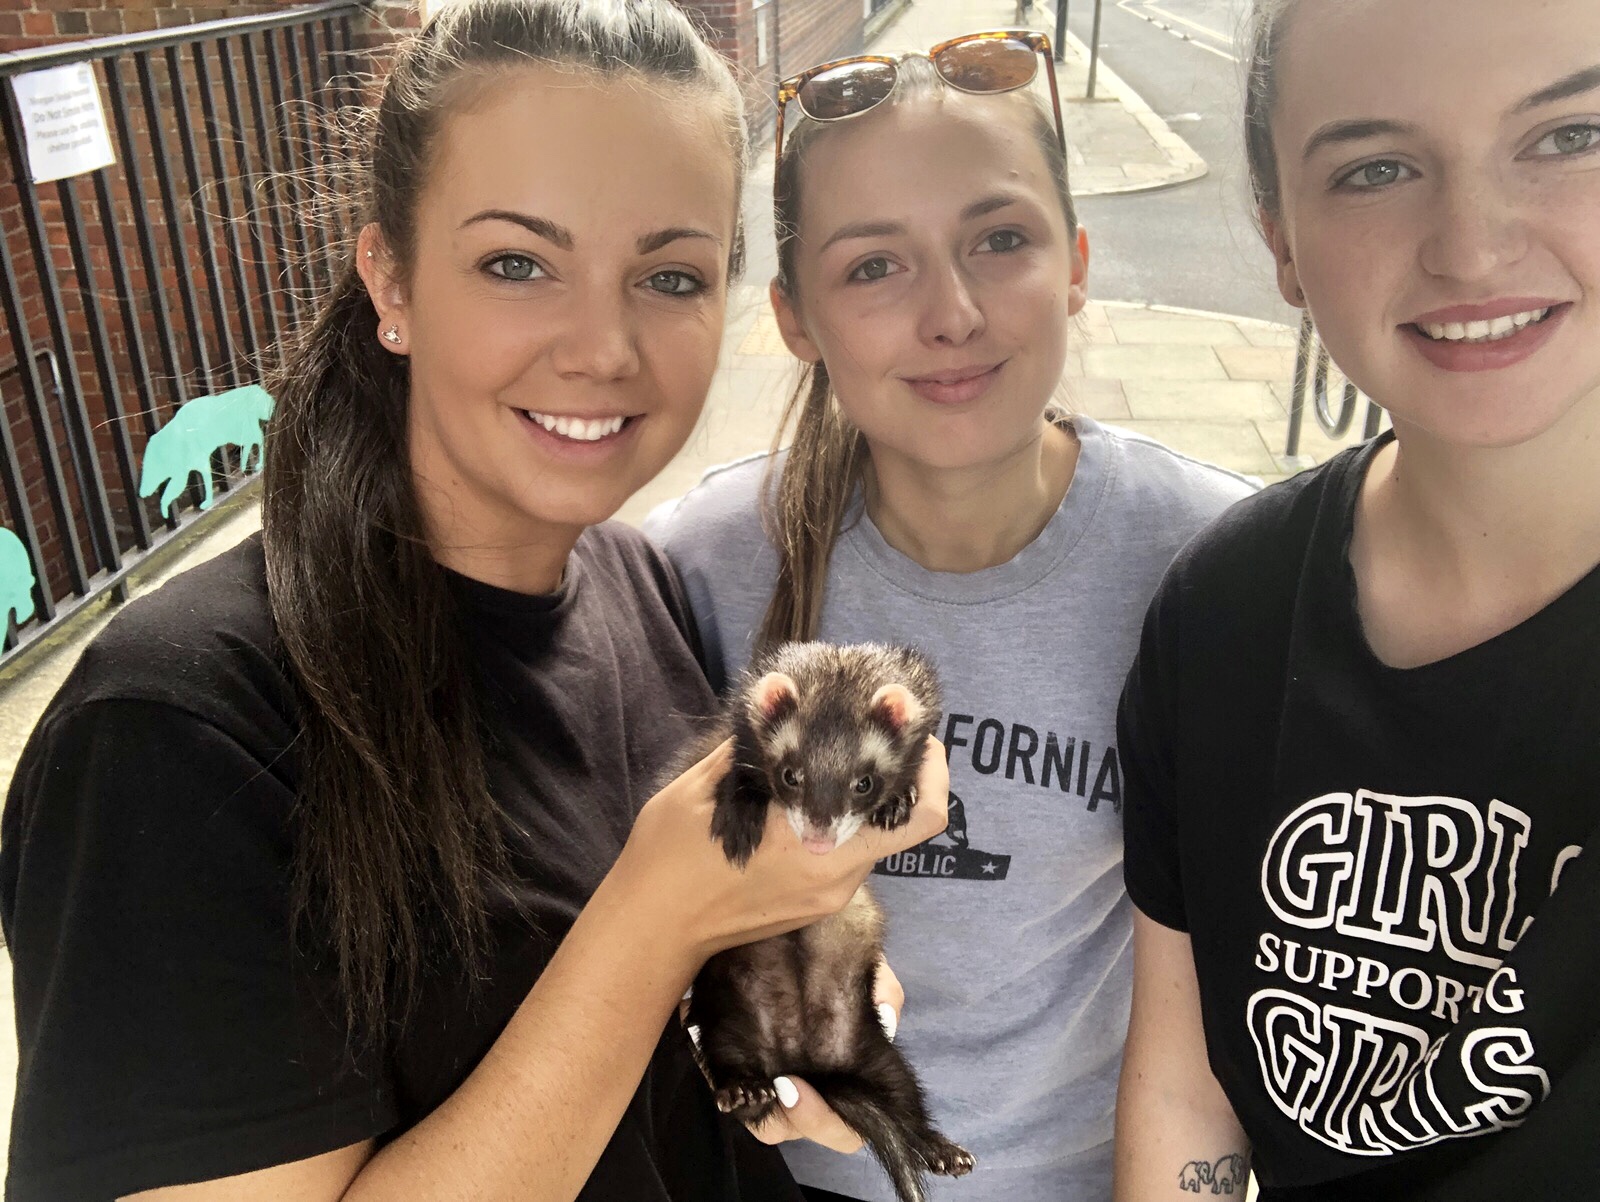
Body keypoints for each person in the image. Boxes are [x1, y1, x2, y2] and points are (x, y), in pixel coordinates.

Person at [0, 2, 950, 1199]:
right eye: (517, 264)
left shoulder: (636, 579)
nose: (603, 346)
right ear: (389, 277)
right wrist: (656, 916)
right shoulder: (173, 730)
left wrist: (792, 977)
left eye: (669, 275)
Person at [647, 31, 1254, 1202]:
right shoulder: (697, 567)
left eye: (1001, 240)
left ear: (1075, 262)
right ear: (794, 317)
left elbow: (1228, 991)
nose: (954, 312)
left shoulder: (1209, 566)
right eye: (874, 265)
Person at [1113, 0, 1600, 1198]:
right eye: (1376, 168)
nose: (1470, 247)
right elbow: (1187, 1094)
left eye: (1568, 136)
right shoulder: (1218, 613)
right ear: (1280, 241)